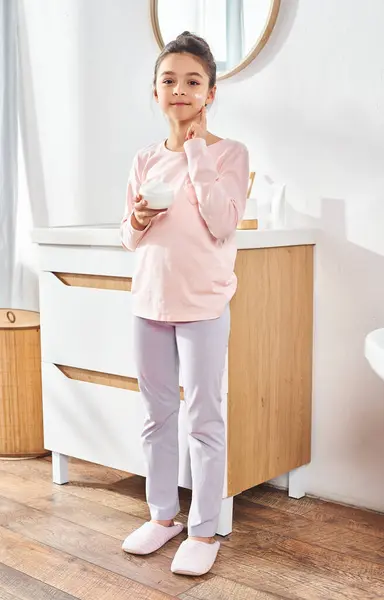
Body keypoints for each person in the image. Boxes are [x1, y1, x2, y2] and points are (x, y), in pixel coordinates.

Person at [120, 31, 249, 577]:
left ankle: (203, 528)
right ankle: (163, 517)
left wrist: (195, 149)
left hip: (203, 307)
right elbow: (128, 237)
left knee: (203, 418)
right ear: (155, 93)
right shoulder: (144, 159)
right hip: (148, 303)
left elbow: (222, 222)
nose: (180, 89)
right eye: (169, 80)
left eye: (192, 80)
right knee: (156, 417)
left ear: (210, 93)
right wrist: (137, 222)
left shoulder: (230, 154)